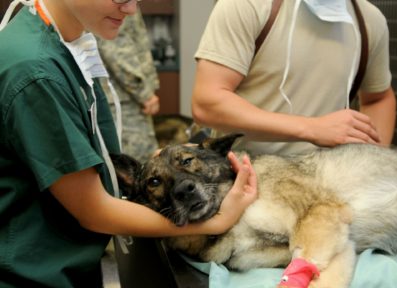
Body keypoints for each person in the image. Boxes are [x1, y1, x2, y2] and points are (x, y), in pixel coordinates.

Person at [0, 0, 258, 287]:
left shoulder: (67, 44)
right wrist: (218, 221)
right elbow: (94, 210)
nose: (131, 9)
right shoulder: (36, 72)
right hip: (32, 274)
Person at [192, 0, 397, 156]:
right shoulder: (248, 5)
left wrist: (371, 160)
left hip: (330, 183)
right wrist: (312, 128)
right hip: (246, 179)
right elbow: (207, 103)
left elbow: (378, 98)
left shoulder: (369, 20)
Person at [97, 10, 160, 163]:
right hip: (123, 99)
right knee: (137, 167)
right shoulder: (120, 5)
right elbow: (116, 50)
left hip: (121, 96)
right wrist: (144, 94)